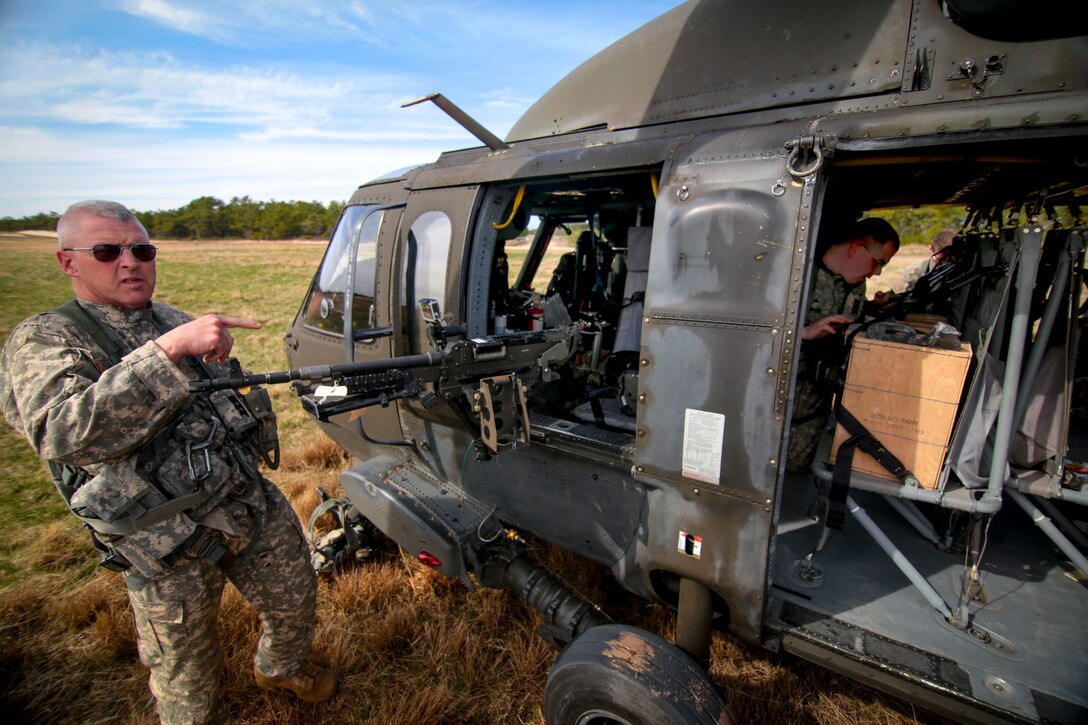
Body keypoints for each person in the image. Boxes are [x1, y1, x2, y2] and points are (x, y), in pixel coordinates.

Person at [0, 200, 335, 723]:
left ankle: (280, 667)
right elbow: (61, 434)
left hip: (244, 502)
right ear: (69, 263)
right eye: (108, 251)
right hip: (166, 540)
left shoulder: (171, 318)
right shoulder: (47, 338)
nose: (129, 262)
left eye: (142, 249)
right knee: (186, 672)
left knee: (295, 602)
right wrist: (167, 353)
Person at [786, 217, 900, 474]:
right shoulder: (797, 273)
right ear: (855, 248)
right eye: (878, 262)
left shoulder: (855, 284)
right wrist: (802, 333)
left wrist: (873, 308)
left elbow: (844, 318)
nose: (877, 272)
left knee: (798, 481)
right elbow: (748, 329)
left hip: (811, 416)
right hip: (774, 414)